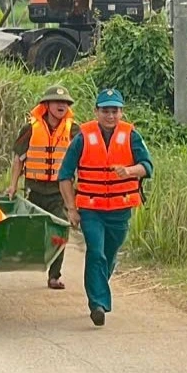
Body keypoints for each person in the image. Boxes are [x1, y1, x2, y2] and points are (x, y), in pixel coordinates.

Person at [57, 88, 153, 327]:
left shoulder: (132, 136)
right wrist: (71, 208)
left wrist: (130, 171)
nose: (110, 115)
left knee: (109, 256)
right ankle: (97, 304)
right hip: (91, 209)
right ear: (96, 112)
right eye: (105, 110)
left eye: (115, 111)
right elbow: (65, 176)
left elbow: (147, 166)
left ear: (121, 112)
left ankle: (99, 289)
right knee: (96, 252)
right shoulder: (83, 137)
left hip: (120, 210)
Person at [7, 85, 77, 290]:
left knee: (61, 228)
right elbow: (18, 159)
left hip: (59, 191)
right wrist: (13, 185)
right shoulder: (30, 128)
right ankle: (26, 259)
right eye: (57, 102)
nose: (61, 106)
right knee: (33, 229)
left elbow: (82, 160)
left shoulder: (74, 130)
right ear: (46, 105)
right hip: (34, 189)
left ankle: (54, 275)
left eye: (65, 103)